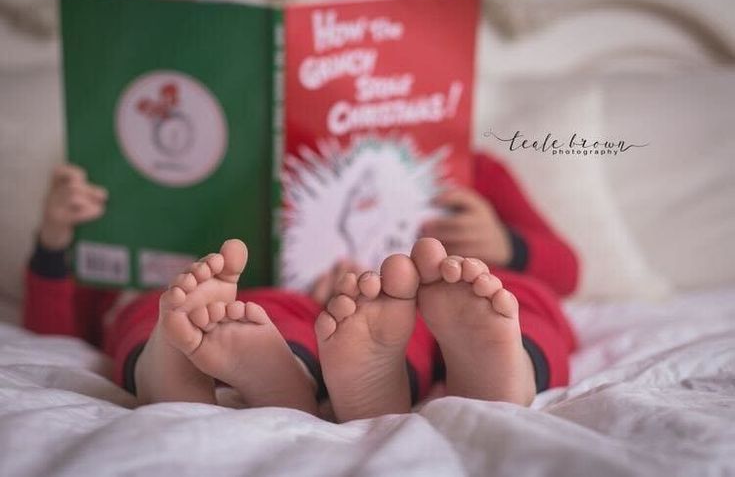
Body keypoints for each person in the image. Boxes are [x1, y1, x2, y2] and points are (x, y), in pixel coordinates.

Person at [23, 152, 578, 422]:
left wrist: (508, 244)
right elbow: (56, 330)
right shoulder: (139, 176)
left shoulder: (464, 167)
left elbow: (567, 269)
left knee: (503, 294)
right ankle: (208, 369)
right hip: (288, 296)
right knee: (182, 305)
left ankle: (497, 372)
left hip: (434, 286)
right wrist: (55, 240)